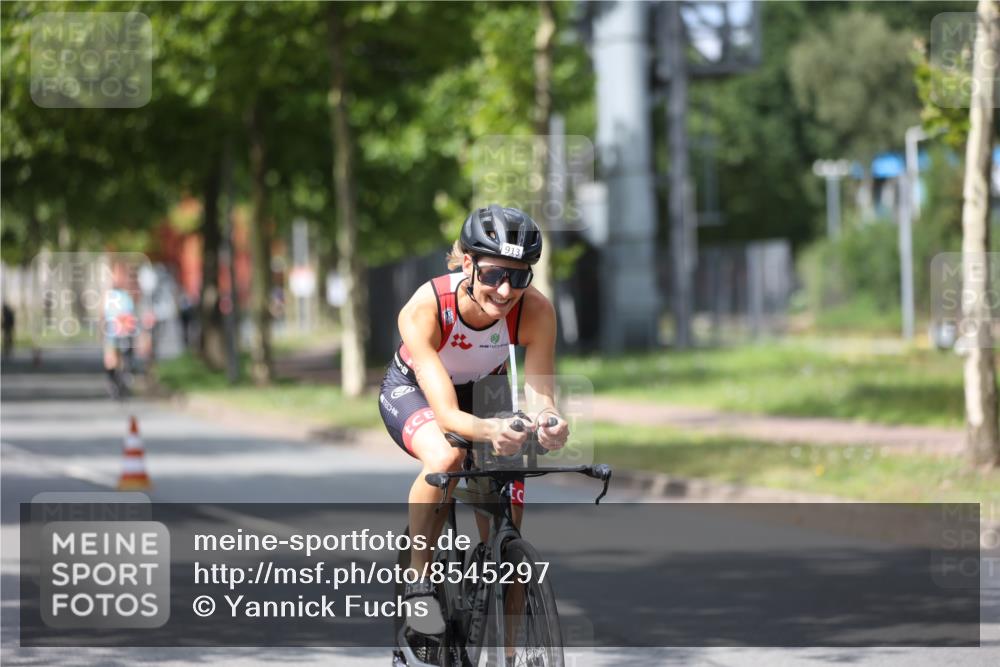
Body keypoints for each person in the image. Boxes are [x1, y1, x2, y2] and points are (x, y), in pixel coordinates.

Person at [378, 204, 570, 650]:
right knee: (448, 456)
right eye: (493, 275)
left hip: (486, 388)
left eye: (518, 277)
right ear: (468, 264)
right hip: (417, 390)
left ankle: (511, 651)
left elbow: (541, 395)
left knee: (508, 526)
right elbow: (447, 416)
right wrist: (489, 433)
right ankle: (419, 583)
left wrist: (550, 421)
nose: (505, 290)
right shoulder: (427, 308)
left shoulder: (535, 310)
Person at [102, 267, 138, 400]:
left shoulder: (126, 295)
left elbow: (131, 314)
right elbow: (102, 314)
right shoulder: (107, 295)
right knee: (111, 358)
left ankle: (124, 380)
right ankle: (112, 383)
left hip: (124, 331)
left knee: (125, 358)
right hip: (111, 331)